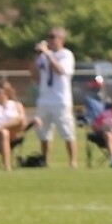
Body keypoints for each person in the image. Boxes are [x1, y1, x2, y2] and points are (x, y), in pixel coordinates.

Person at [32, 27, 78, 168]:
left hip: (60, 100)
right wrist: (37, 56)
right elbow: (34, 74)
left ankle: (73, 161)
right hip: (44, 99)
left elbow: (60, 70)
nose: (50, 40)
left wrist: (47, 54)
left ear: (61, 39)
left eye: (53, 37)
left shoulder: (66, 55)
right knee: (44, 133)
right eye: (49, 37)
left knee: (67, 132)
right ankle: (45, 161)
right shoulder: (44, 56)